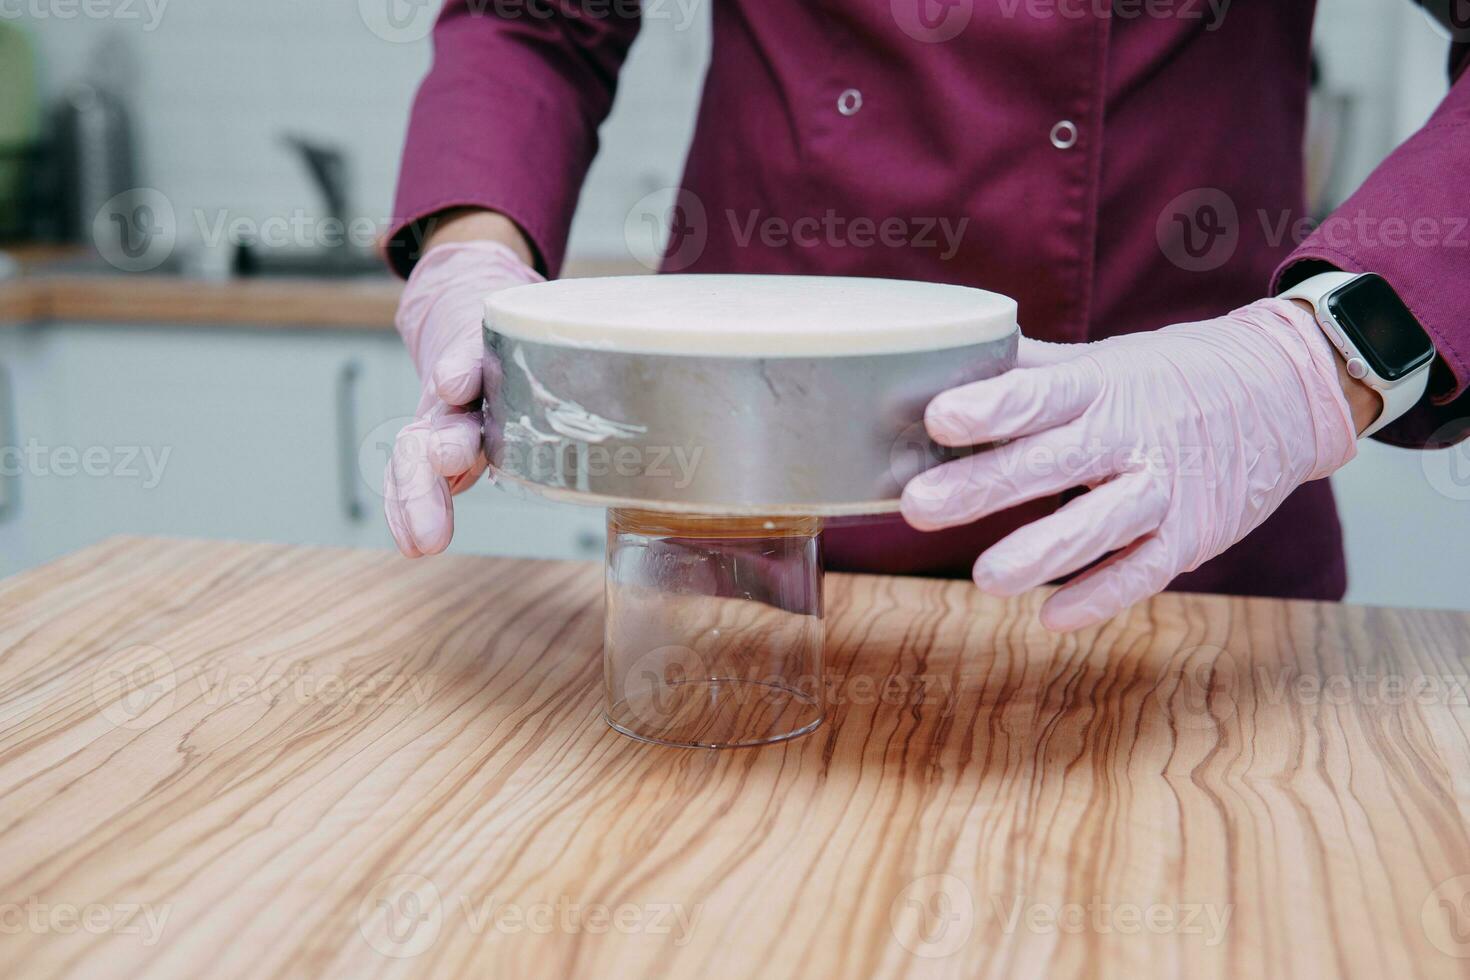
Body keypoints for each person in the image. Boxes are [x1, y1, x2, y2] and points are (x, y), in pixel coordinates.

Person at [381, 1, 1468, 632]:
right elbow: (533, 17)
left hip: (1188, 532)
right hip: (745, 515)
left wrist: (1324, 358)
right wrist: (472, 254)